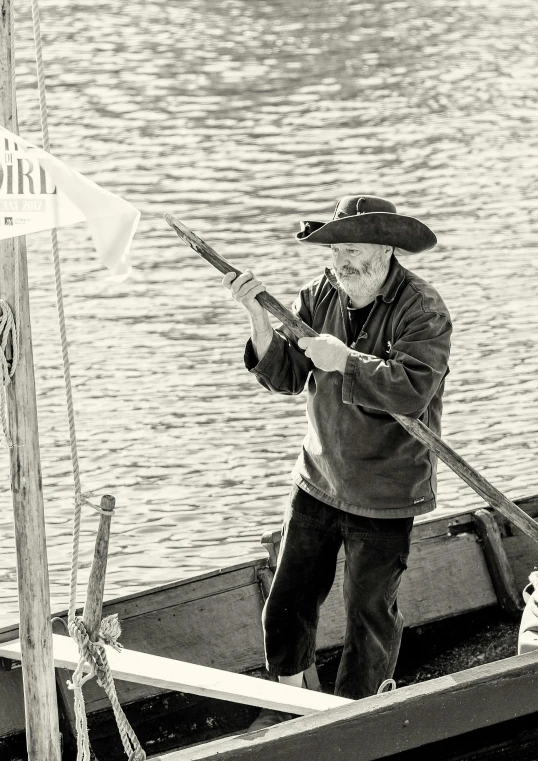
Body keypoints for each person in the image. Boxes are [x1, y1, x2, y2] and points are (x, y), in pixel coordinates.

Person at [222, 194, 452, 727]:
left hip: (387, 491)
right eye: (334, 249)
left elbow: (412, 391)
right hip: (318, 478)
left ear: (386, 248)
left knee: (369, 617)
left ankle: (355, 719)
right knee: (286, 606)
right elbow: (284, 376)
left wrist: (348, 361)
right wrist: (258, 321)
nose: (340, 260)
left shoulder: (424, 309)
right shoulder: (320, 292)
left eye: (351, 248)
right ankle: (291, 706)